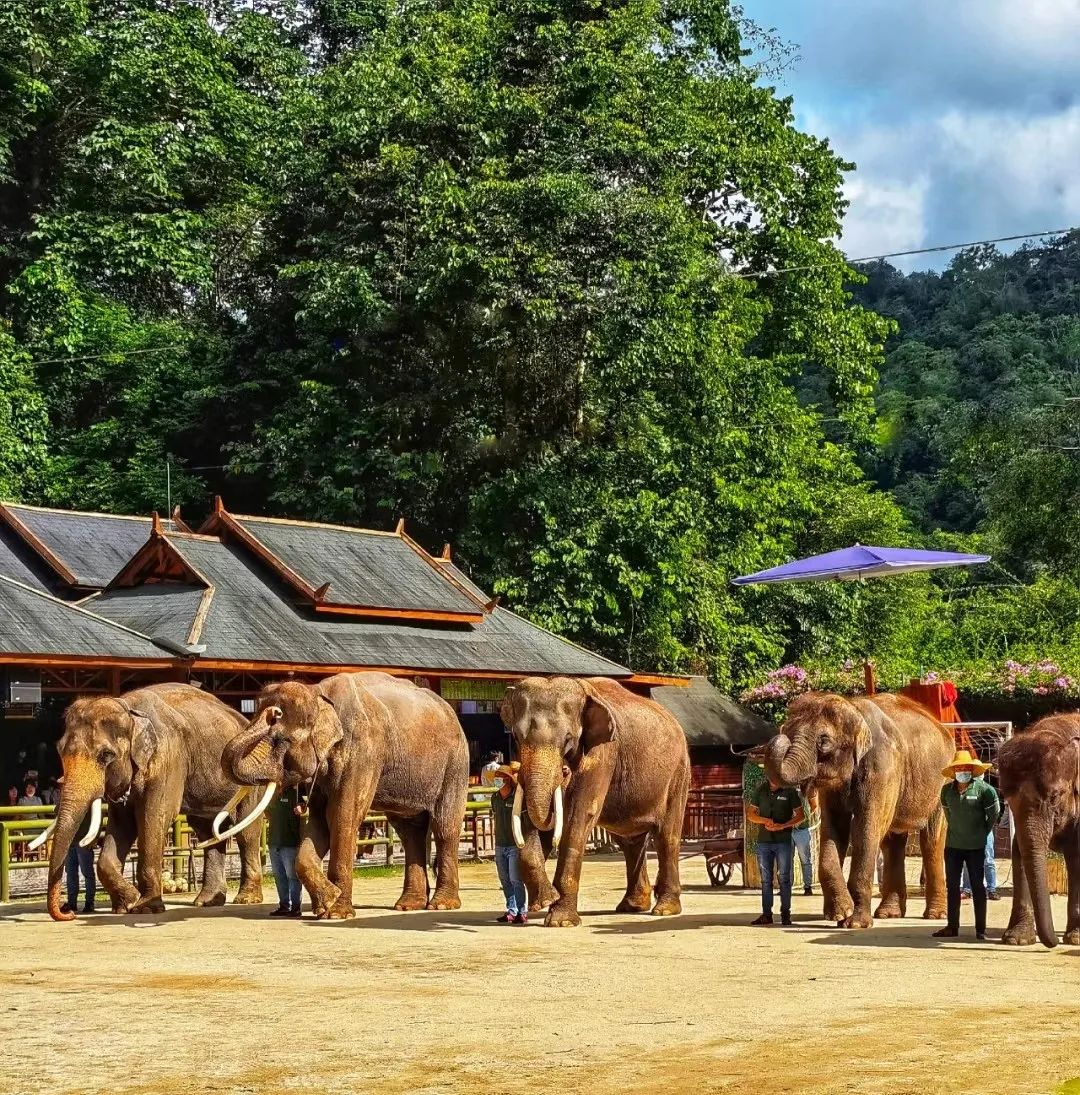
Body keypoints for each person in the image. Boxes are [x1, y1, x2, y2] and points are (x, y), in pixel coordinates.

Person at [934, 749, 1000, 942]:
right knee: (953, 886)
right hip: (953, 846)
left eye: (966, 768)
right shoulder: (947, 791)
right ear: (953, 772)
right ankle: (952, 927)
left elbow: (994, 814)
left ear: (972, 770)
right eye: (959, 768)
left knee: (978, 886)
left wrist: (982, 831)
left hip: (976, 846)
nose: (962, 771)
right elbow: (948, 816)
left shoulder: (984, 790)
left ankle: (981, 929)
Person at [746, 774, 804, 926]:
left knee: (784, 878)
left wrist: (783, 826)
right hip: (764, 841)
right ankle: (767, 915)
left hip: (783, 841)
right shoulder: (761, 790)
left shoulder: (790, 791)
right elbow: (750, 814)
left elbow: (800, 815)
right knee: (766, 880)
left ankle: (786, 914)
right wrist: (765, 820)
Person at [490, 761, 527, 925]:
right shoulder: (495, 798)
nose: (497, 780)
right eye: (496, 777)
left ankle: (521, 911)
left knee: (515, 879)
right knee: (504, 879)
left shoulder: (517, 796)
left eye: (500, 777)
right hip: (499, 844)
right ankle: (511, 910)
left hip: (514, 844)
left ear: (508, 779)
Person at [266, 786, 304, 918]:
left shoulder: (295, 793)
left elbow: (305, 807)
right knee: (279, 876)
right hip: (274, 842)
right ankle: (284, 905)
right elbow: (267, 813)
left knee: (292, 876)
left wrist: (302, 808)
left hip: (290, 843)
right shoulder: (270, 794)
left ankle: (295, 906)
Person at [60, 809, 97, 915]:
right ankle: (72, 903)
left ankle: (89, 903)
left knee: (87, 873)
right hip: (69, 841)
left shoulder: (90, 798)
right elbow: (58, 810)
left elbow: (97, 816)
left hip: (84, 841)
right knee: (70, 873)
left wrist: (94, 837)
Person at [792, 786, 817, 896]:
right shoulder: (784, 788)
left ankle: (807, 886)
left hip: (802, 830)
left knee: (805, 859)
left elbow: (814, 805)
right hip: (786, 830)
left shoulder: (806, 788)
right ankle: (786, 887)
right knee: (786, 860)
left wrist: (804, 818)